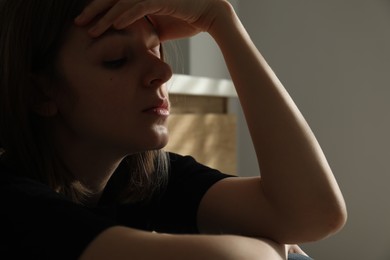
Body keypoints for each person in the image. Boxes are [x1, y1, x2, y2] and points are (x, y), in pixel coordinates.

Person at [0, 0, 347, 259]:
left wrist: (221, 20)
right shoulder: (13, 203)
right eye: (117, 59)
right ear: (41, 92)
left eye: (156, 49)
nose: (162, 72)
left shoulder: (144, 181)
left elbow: (315, 214)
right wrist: (277, 246)